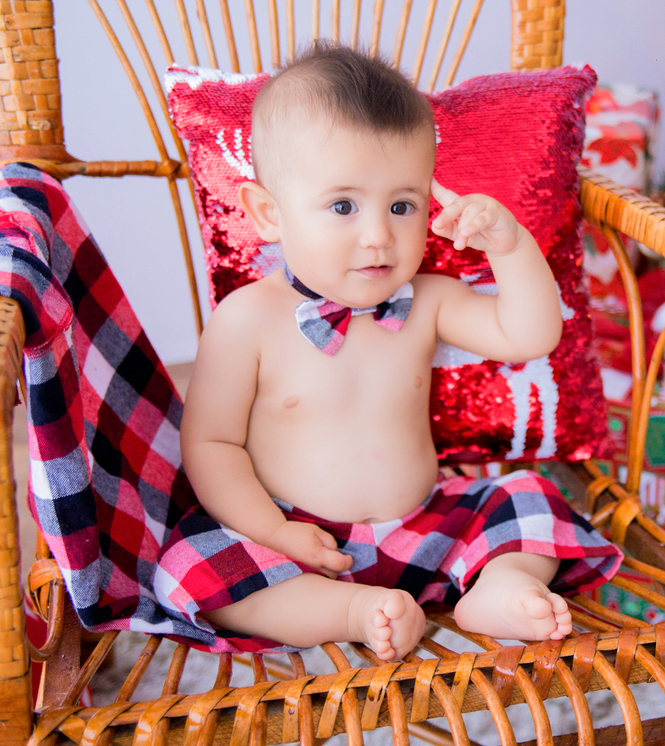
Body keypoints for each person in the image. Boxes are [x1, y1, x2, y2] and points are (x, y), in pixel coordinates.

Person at [177, 41, 620, 660]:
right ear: (268, 213)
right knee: (193, 567)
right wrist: (273, 530)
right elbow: (211, 444)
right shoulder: (246, 320)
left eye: (402, 205)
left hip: (427, 527)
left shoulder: (430, 299)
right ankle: (353, 611)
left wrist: (510, 245)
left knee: (529, 499)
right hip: (299, 543)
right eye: (342, 205)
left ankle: (499, 587)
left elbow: (531, 335)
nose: (378, 235)